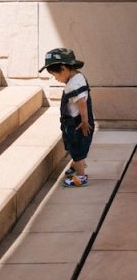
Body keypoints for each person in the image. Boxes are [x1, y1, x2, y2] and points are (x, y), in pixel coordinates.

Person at [40, 48, 94, 187]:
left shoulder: (73, 85)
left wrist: (84, 122)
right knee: (75, 147)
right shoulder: (78, 77)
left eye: (55, 74)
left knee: (76, 149)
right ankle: (77, 164)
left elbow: (81, 103)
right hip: (77, 121)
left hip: (77, 123)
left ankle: (81, 177)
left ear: (63, 69)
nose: (55, 78)